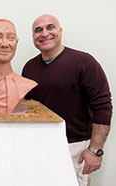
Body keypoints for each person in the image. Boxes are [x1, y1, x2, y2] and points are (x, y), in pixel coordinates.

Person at [22, 14, 112, 186]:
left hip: (75, 149)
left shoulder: (84, 62)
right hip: (41, 147)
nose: (44, 33)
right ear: (33, 37)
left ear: (60, 31)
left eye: (50, 27)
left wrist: (95, 150)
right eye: (38, 30)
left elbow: (103, 107)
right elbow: (28, 109)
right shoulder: (29, 68)